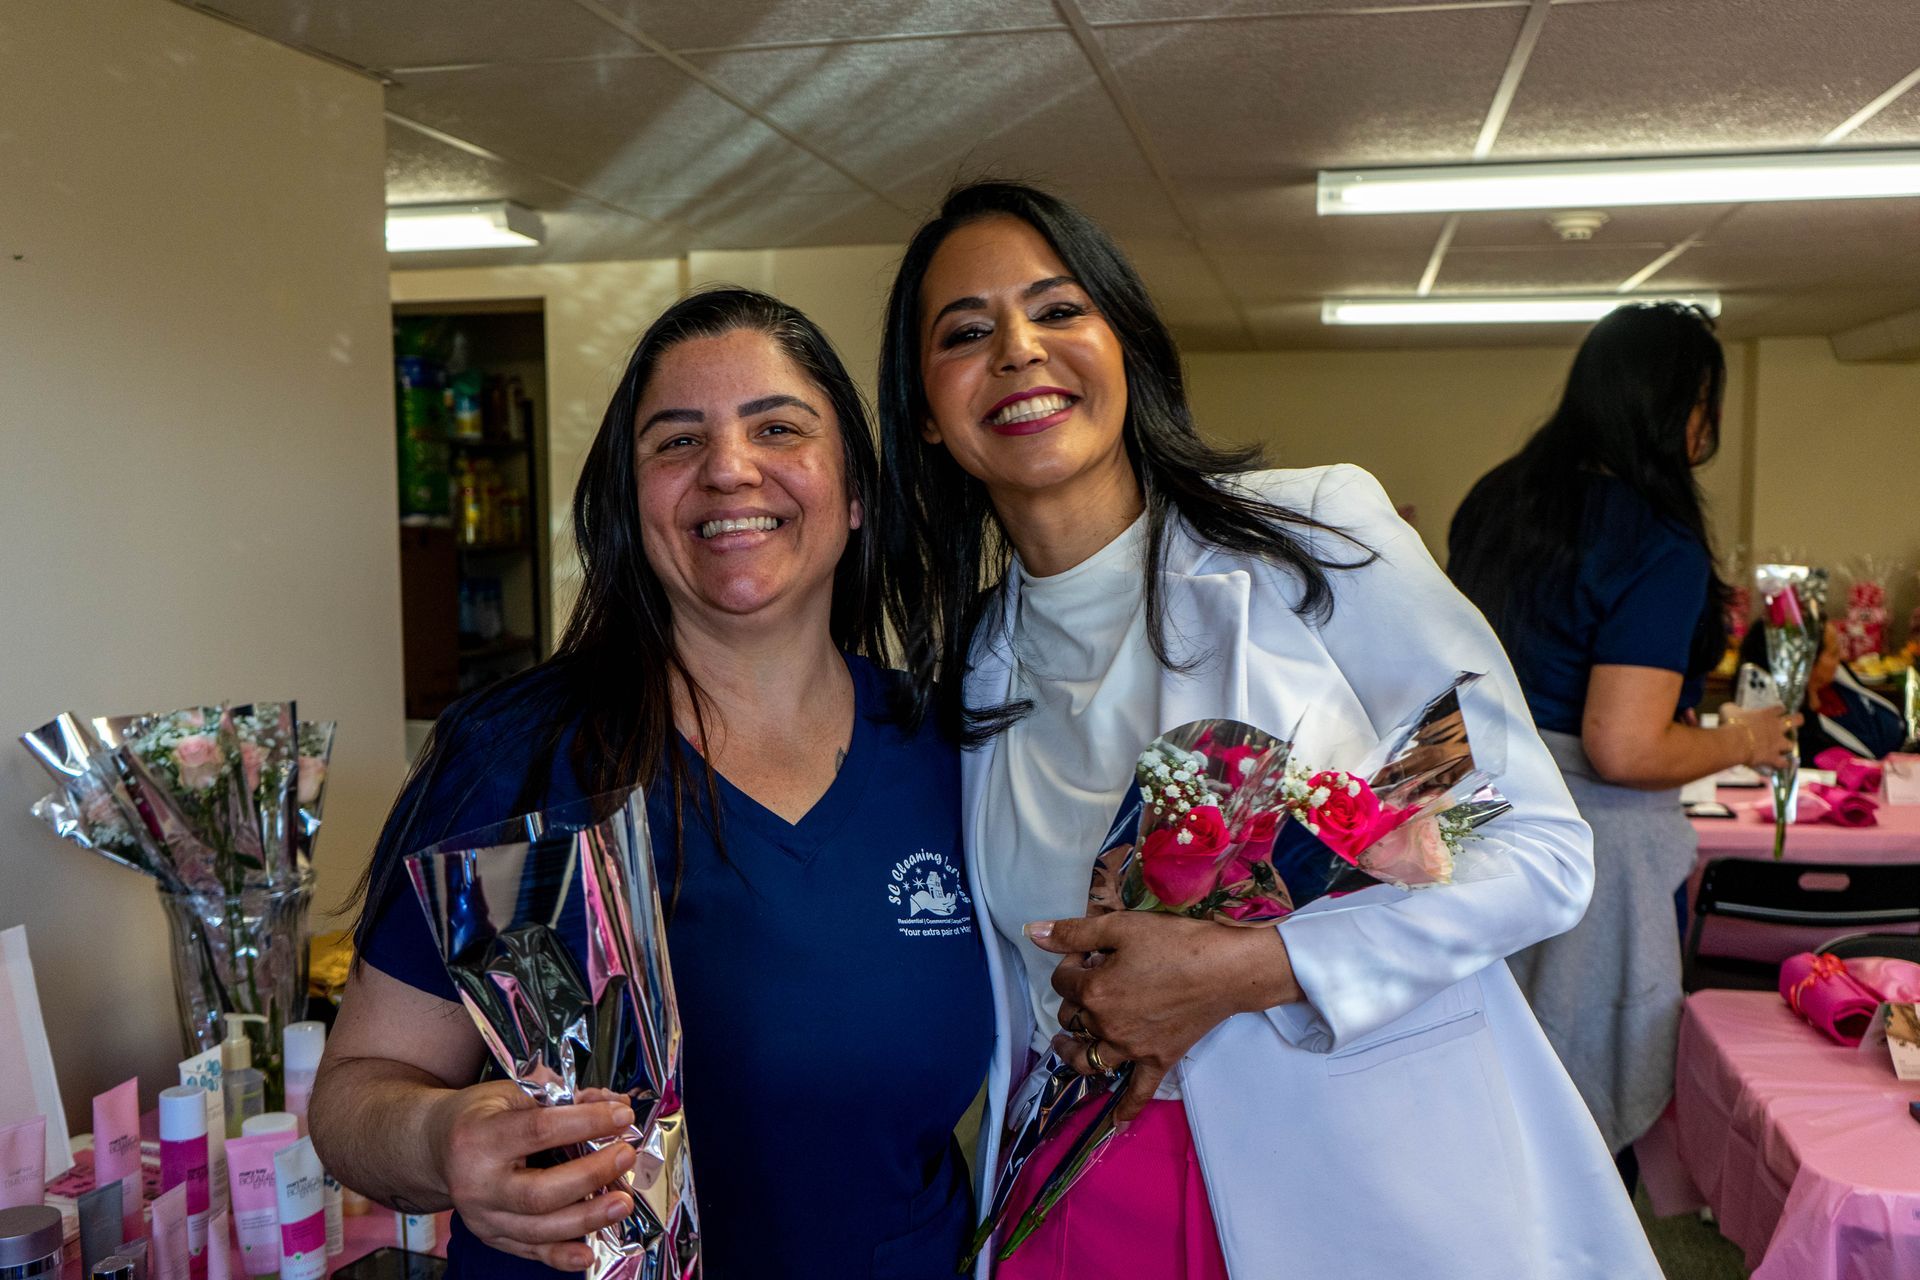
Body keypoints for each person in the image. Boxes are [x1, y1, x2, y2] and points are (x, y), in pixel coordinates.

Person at [878, 179, 1661, 1278]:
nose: (1017, 348)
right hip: (1084, 1197)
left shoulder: (1310, 544)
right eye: (966, 331)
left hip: (1366, 1182)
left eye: (1059, 310)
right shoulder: (965, 674)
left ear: (1127, 347)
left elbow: (1529, 841)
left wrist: (1257, 964)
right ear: (925, 409)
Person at [309, 289, 993, 1279]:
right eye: (676, 443)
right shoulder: (518, 758)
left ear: (854, 494)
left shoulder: (948, 750)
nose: (727, 467)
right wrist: (439, 1136)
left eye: (778, 427)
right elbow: (354, 1098)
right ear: (630, 506)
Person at [1447, 302, 1796, 1177]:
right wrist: (1743, 739)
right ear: (1678, 408)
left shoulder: (1501, 499)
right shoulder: (1655, 540)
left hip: (1470, 813)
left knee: (1489, 1081)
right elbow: (1625, 746)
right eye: (1704, 403)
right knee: (1580, 1120)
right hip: (1591, 845)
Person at [1740, 619, 1907, 762]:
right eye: (1834, 652)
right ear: (1804, 666)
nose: (1842, 657)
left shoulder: (1839, 681)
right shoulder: (1796, 731)